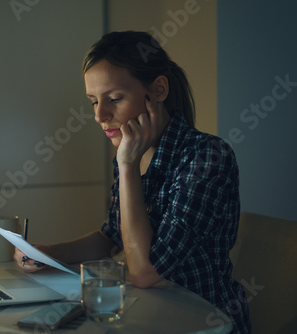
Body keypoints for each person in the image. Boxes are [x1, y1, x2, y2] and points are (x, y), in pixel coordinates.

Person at [14, 31, 251, 333]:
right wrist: (46, 252)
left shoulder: (207, 157)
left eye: (114, 98)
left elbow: (145, 272)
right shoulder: (131, 149)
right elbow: (112, 236)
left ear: (158, 89)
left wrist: (127, 165)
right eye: (93, 102)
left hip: (200, 322)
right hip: (150, 313)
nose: (100, 115)